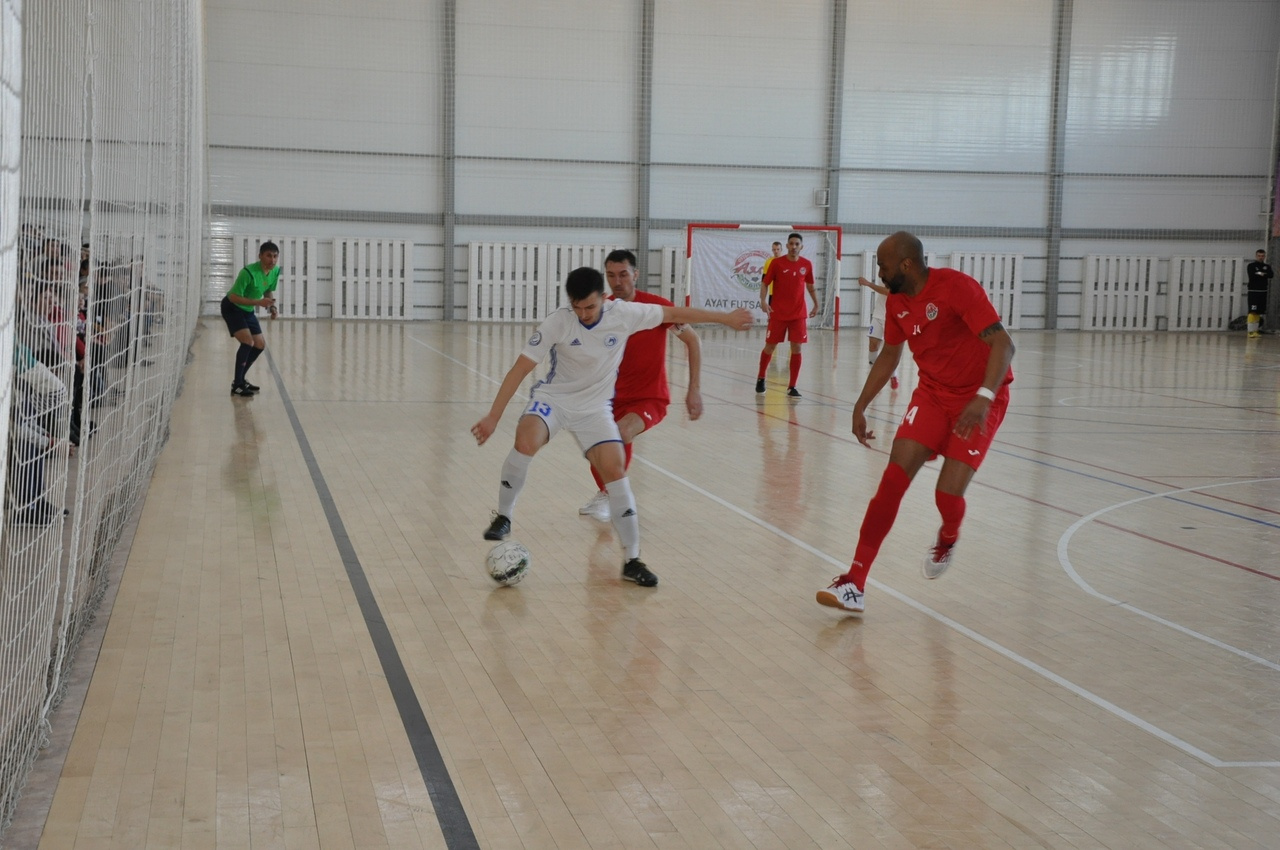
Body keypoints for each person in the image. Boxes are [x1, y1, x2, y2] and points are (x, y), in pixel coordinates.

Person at [472, 266, 752, 588]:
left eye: (590, 307)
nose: (584, 314)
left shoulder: (625, 314)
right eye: (577, 307)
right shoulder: (558, 322)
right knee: (526, 440)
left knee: (615, 471)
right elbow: (519, 369)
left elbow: (676, 313)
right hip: (556, 399)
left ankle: (632, 560)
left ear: (603, 298)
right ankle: (504, 517)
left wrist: (726, 318)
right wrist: (493, 416)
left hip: (595, 409)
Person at [817, 231, 1015, 614]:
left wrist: (983, 397)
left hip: (979, 398)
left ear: (906, 265)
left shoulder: (956, 288)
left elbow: (1004, 344)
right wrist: (860, 405)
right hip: (932, 395)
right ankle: (854, 583)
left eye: (883, 265)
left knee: (947, 496)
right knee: (891, 483)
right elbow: (890, 355)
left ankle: (949, 535)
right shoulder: (896, 302)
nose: (879, 271)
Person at [578, 249, 703, 522]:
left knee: (620, 432)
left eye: (623, 274)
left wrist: (693, 389)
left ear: (635, 274)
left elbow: (693, 341)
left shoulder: (656, 308)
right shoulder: (603, 310)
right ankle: (607, 493)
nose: (617, 281)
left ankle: (612, 496)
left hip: (649, 398)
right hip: (609, 398)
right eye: (611, 275)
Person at [755, 232, 817, 398]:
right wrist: (763, 301)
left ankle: (792, 386)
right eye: (791, 244)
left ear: (801, 247)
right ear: (787, 245)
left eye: (797, 244)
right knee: (770, 346)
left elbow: (810, 286)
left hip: (798, 314)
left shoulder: (806, 264)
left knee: (796, 348)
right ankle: (761, 377)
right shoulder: (776, 263)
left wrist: (816, 304)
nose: (794, 247)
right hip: (778, 313)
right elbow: (765, 283)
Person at [221, 241, 280, 396]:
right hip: (232, 307)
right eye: (268, 256)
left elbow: (268, 290)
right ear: (260, 256)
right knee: (248, 342)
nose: (272, 260)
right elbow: (233, 297)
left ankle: (240, 379)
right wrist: (258, 302)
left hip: (247, 310)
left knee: (259, 345)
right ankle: (237, 385)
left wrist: (272, 307)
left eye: (275, 256)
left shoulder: (274, 271)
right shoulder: (247, 272)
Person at [859, 275, 900, 390]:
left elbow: (888, 292)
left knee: (889, 350)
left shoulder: (898, 274)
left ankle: (893, 376)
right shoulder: (883, 270)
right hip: (879, 312)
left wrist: (868, 284)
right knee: (872, 345)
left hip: (892, 316)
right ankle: (875, 377)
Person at [1246, 249, 1273, 339]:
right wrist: (1262, 274)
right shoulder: (1251, 266)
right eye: (1259, 256)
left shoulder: (1267, 266)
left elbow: (1270, 275)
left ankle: (1255, 331)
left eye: (1262, 256)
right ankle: (1250, 331)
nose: (1261, 257)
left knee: (1258, 312)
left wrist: (1260, 273)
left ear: (1264, 256)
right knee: (1252, 311)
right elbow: (1252, 275)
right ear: (1256, 256)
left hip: (1263, 291)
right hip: (1253, 291)